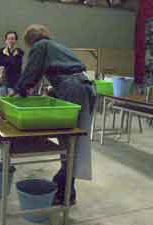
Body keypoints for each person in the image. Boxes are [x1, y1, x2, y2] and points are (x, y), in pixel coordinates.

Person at [14, 24, 96, 205]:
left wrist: (18, 92)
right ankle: (66, 190)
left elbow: (31, 72)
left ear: (30, 40)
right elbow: (65, 70)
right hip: (85, 87)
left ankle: (64, 191)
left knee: (68, 142)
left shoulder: (40, 46)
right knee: (74, 141)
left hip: (72, 88)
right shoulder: (57, 46)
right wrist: (52, 91)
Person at [0, 31, 24, 96]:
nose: (10, 40)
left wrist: (5, 61)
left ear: (16, 40)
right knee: (2, 100)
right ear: (6, 41)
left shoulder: (20, 52)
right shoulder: (0, 52)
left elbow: (16, 64)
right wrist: (10, 60)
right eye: (9, 39)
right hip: (2, 81)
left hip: (15, 82)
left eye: (13, 38)